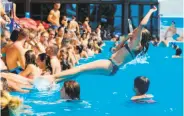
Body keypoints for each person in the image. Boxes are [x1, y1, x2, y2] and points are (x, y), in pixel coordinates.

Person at [38, 6, 157, 83]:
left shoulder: (136, 44)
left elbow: (142, 24)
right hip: (112, 67)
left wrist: (151, 10)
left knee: (81, 68)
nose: (135, 31)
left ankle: (52, 78)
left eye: (136, 31)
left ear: (141, 36)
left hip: (110, 65)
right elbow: (114, 50)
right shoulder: (132, 44)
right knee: (81, 72)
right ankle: (56, 81)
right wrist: (125, 39)